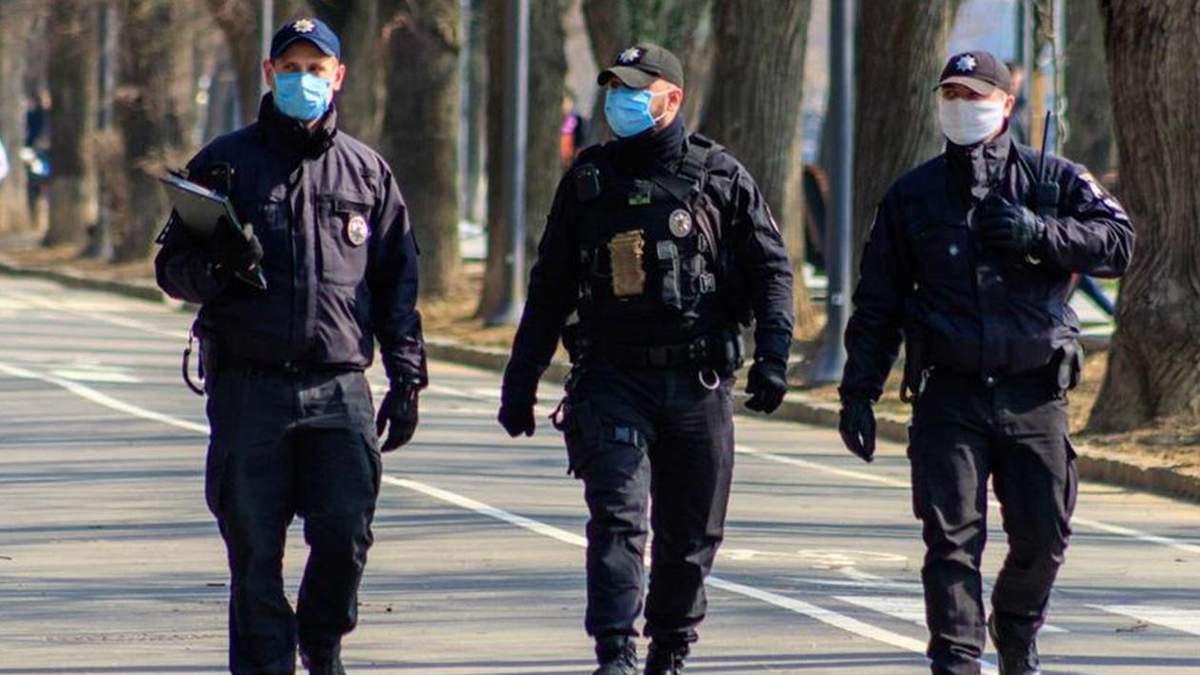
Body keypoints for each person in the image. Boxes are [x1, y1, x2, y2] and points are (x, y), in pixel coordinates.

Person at [498, 43, 794, 675]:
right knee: (618, 518)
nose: (621, 100)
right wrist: (520, 379)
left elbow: (771, 269)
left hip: (697, 379)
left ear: (672, 99)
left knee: (690, 535)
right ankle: (615, 651)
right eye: (615, 88)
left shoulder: (719, 176)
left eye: (636, 89)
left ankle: (669, 649)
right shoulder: (587, 182)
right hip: (613, 378)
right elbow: (550, 286)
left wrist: (774, 354)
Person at [837, 51, 1133, 675]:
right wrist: (858, 391)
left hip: (1033, 393)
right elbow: (878, 302)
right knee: (950, 542)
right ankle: (957, 659)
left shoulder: (1051, 178)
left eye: (974, 94)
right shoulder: (912, 196)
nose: (961, 106)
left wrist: (1040, 233)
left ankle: (1015, 626)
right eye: (951, 94)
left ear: (1006, 103)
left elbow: (1118, 242)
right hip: (950, 394)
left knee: (1044, 536)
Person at [154, 17, 426, 675]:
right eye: (292, 68)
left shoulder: (366, 172)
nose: (304, 80)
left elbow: (397, 281)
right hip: (250, 388)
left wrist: (407, 376)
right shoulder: (225, 164)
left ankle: (322, 639)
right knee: (253, 550)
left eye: (316, 69)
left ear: (338, 77)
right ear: (269, 73)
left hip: (338, 388)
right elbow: (171, 269)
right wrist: (218, 266)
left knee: (346, 533)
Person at [1005, 61, 1028, 144]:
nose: (1016, 88)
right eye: (1013, 84)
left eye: (1019, 84)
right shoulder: (994, 105)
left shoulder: (1022, 106)